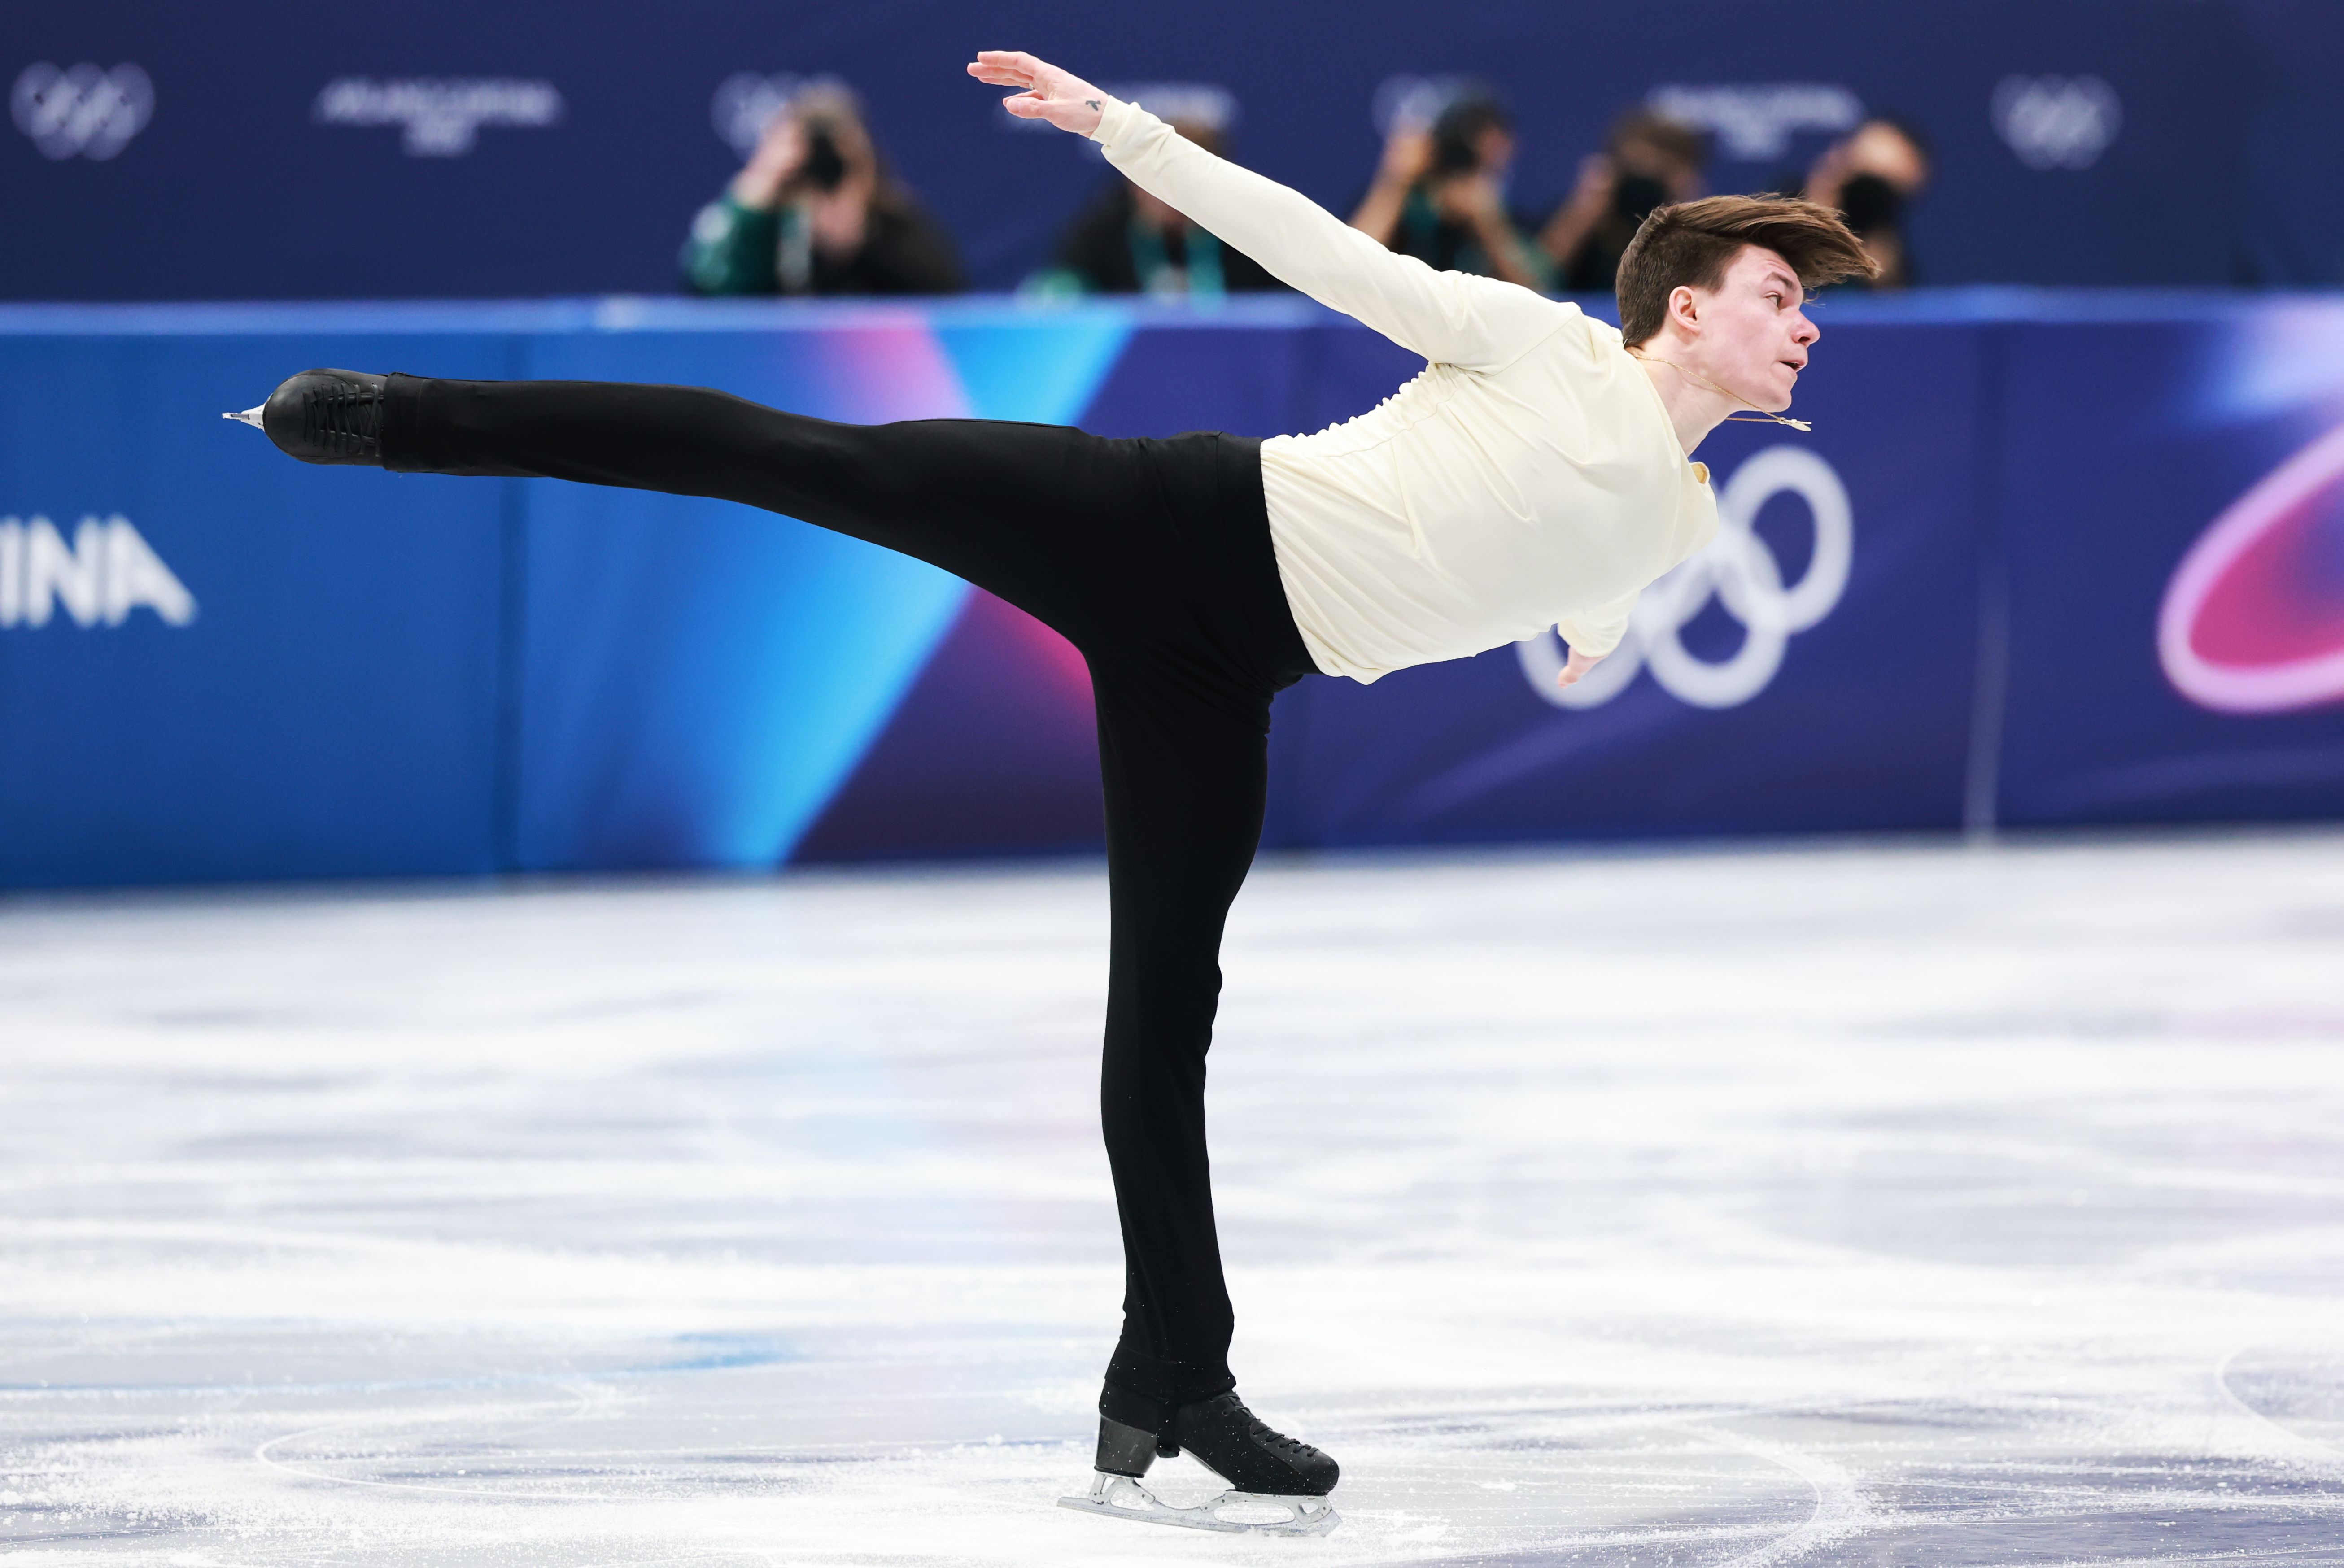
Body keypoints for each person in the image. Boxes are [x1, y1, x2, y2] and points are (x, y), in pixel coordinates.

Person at [224, 47, 1873, 1536]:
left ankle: (1172, 1376)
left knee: (1164, 1008)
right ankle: (400, 418)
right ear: (1682, 309)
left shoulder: (1683, 524)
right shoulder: (1536, 343)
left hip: (1222, 680)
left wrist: (1582, 629)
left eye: (1806, 303)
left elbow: (1585, 587)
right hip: (1157, 522)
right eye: (1778, 294)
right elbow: (1321, 250)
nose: (1802, 323)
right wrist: (1122, 130)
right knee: (811, 457)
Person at [681, 82, 965, 296]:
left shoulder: (895, 225)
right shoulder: (767, 221)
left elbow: (947, 297)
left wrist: (858, 240)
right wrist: (752, 204)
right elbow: (705, 291)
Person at [1027, 118, 1286, 299]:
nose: (1171, 198)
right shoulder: (1099, 234)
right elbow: (1057, 301)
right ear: (1133, 179)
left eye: (1186, 186)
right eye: (1158, 182)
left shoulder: (1252, 238)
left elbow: (1290, 314)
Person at [1349, 89, 1553, 292]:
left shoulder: (1502, 216)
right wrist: (1395, 182)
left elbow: (1538, 295)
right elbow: (1349, 272)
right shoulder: (1400, 204)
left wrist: (1489, 227)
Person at [1538, 109, 1709, 294]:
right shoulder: (1582, 214)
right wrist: (1582, 212)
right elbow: (1536, 279)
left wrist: (1690, 214)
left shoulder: (1692, 226)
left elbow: (1707, 287)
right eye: (1635, 169)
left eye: (1657, 174)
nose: (1644, 186)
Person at [1797, 116, 1932, 288]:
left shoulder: (1885, 233)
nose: (1862, 196)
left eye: (1875, 188)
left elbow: (1887, 291)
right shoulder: (1778, 210)